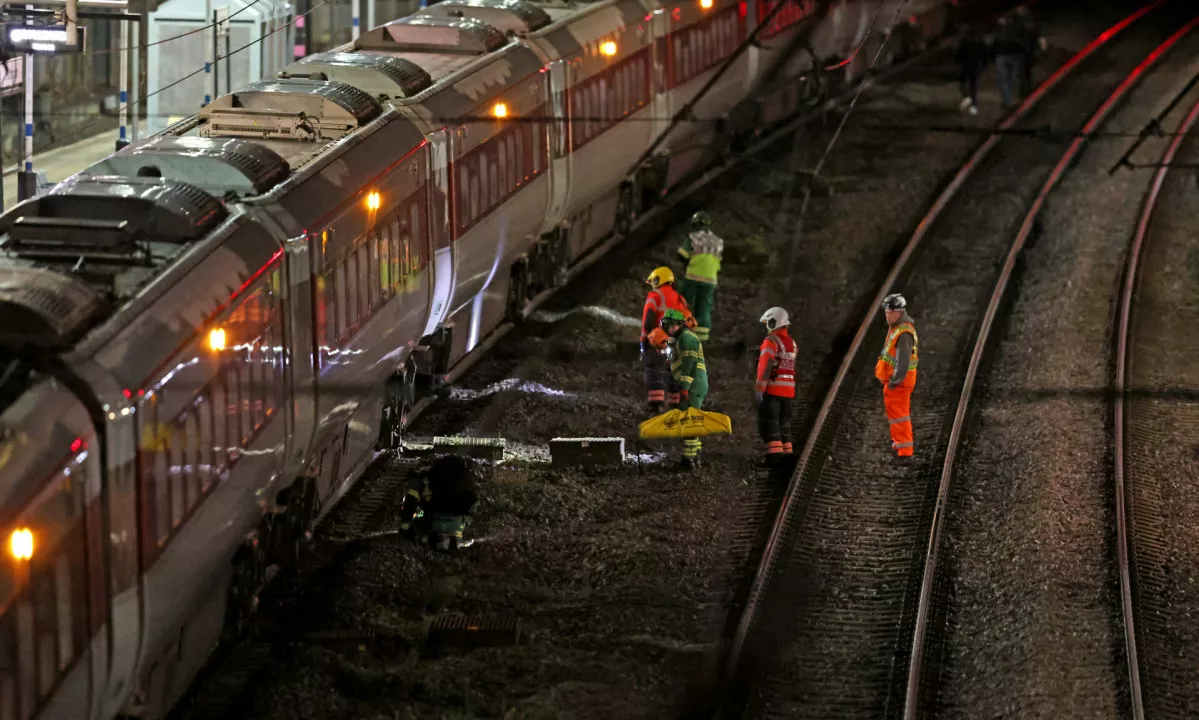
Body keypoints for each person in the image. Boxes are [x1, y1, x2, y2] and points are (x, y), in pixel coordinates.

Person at [652, 308, 708, 469]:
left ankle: (688, 460)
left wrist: (684, 387)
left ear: (677, 324)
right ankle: (695, 456)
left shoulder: (686, 338)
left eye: (669, 325)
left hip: (693, 384)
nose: (667, 329)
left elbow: (689, 365)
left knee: (689, 421)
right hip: (693, 384)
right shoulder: (679, 339)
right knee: (691, 419)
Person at [399, 455, 481, 550]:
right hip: (456, 520)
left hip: (434, 520)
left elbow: (410, 503)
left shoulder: (426, 480)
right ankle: (452, 538)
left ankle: (430, 536)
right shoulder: (465, 479)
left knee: (421, 517)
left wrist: (405, 526)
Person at [641, 267, 693, 412]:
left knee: (653, 368)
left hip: (659, 341)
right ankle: (674, 404)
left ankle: (656, 404)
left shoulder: (654, 296)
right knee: (673, 371)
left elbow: (648, 320)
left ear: (659, 279)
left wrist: (644, 339)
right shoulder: (679, 298)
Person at [874, 293, 918, 460]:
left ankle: (905, 450)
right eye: (886, 312)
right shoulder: (897, 328)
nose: (887, 316)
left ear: (899, 312)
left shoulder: (904, 333)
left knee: (900, 415)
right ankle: (899, 442)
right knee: (895, 415)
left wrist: (894, 381)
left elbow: (903, 362)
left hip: (900, 383)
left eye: (890, 313)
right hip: (896, 382)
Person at [755, 307, 796, 467]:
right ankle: (787, 456)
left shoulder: (770, 341)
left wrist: (759, 390)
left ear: (774, 322)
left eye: (768, 323)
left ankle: (775, 460)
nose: (767, 327)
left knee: (769, 424)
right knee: (784, 424)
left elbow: (766, 366)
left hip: (773, 390)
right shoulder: (792, 344)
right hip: (789, 393)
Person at [676, 211, 723, 342]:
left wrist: (687, 263)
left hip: (693, 276)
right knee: (704, 309)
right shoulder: (718, 241)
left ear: (695, 224)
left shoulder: (693, 237)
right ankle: (701, 339)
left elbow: (682, 254)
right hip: (711, 280)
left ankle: (674, 330)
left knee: (681, 302)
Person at [1014, 7, 1047, 99]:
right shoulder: (1031, 20)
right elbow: (1039, 33)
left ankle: (1025, 93)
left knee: (1022, 72)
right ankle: (1026, 90)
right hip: (1028, 49)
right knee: (1026, 71)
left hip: (1021, 50)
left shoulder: (1018, 22)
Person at [993, 14, 1025, 108]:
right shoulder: (1014, 29)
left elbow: (993, 43)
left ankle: (1008, 101)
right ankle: (1012, 100)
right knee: (1011, 79)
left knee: (1004, 80)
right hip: (1013, 56)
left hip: (1002, 56)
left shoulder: (997, 31)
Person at [956, 24, 987, 115]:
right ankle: (974, 105)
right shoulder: (980, 42)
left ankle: (966, 97)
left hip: (966, 65)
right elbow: (984, 54)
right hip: (976, 66)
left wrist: (957, 61)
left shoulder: (965, 41)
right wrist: (983, 65)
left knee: (962, 83)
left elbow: (959, 53)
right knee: (974, 86)